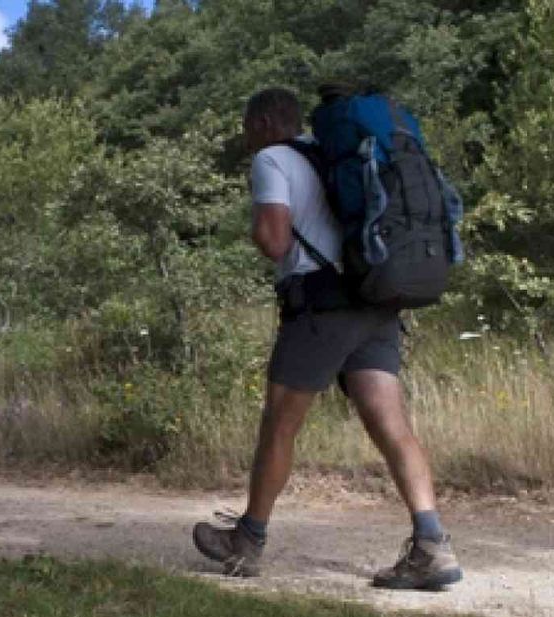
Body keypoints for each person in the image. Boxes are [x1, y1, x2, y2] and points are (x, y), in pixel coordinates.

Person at [191, 87, 462, 590]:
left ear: (264, 123)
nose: (247, 139)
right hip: (375, 300)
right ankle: (432, 545)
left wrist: (258, 230)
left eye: (247, 128)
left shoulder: (272, 159)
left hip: (321, 306)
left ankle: (248, 540)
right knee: (392, 424)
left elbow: (275, 241)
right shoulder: (336, 154)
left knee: (280, 424)